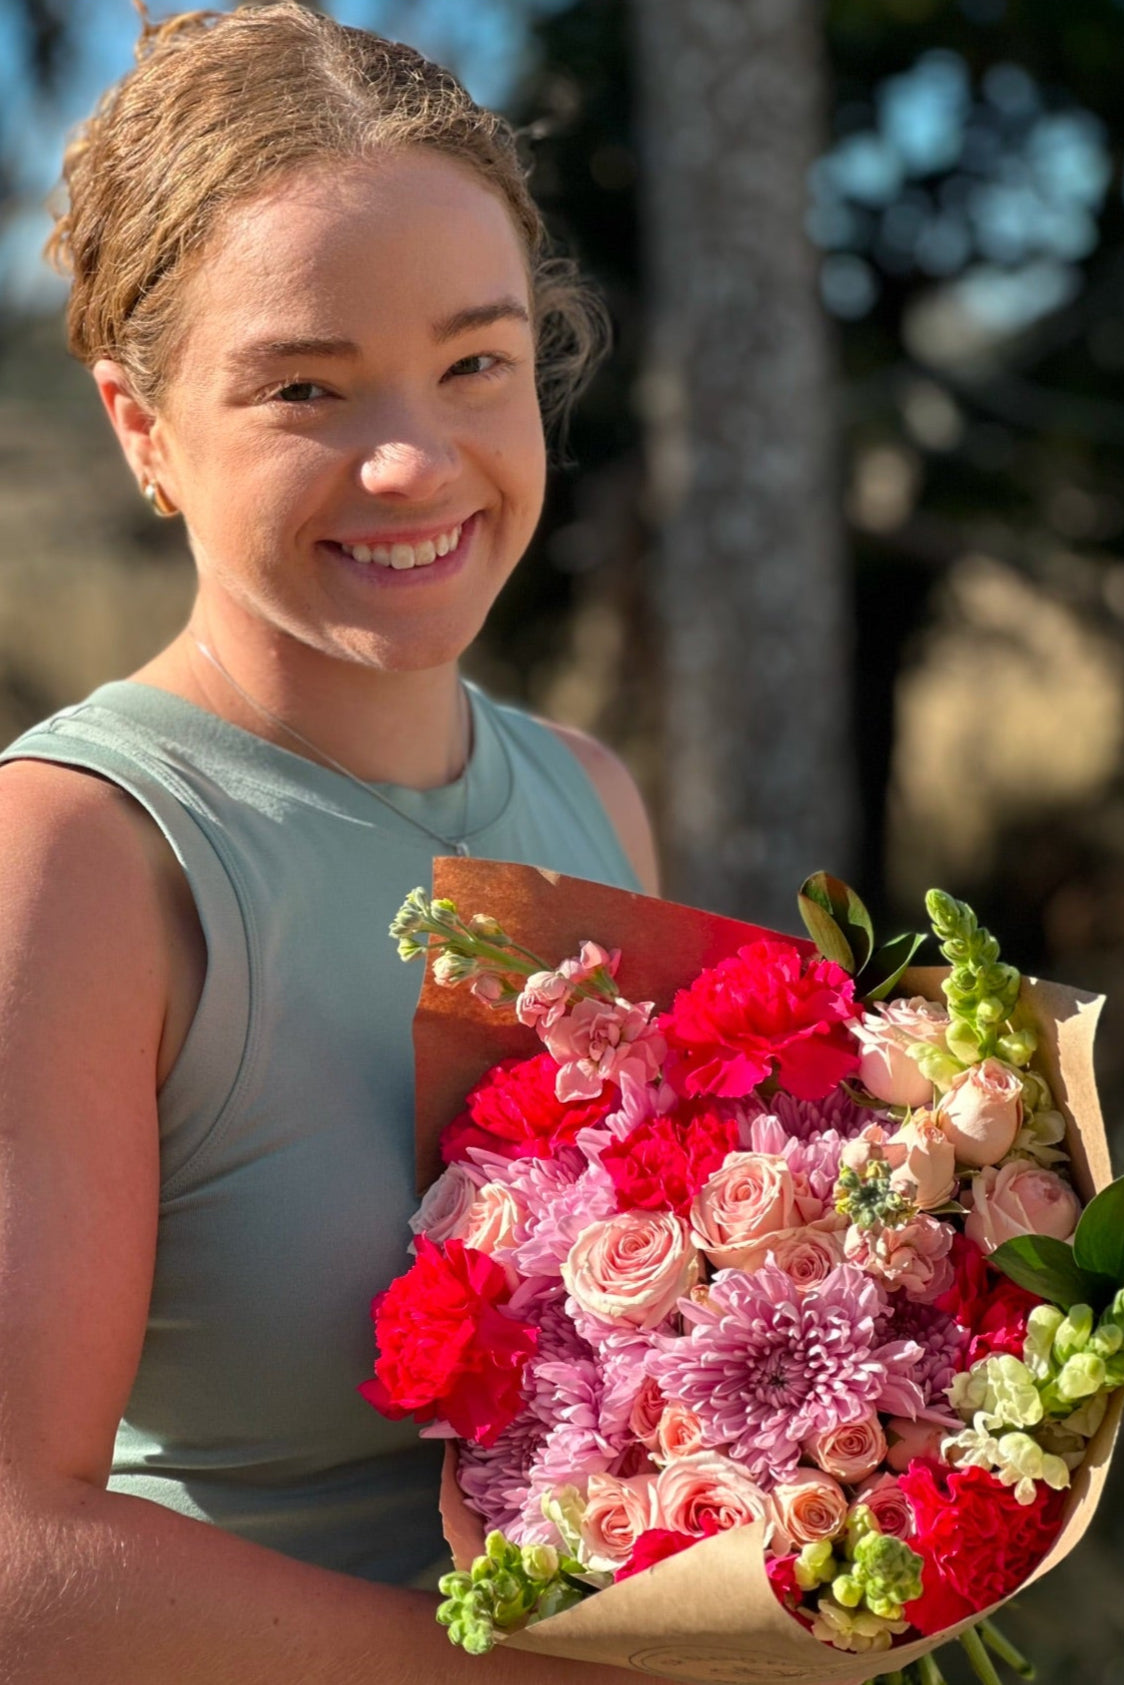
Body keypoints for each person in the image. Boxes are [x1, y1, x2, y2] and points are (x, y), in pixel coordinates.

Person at [0, 4, 657, 1679]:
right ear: (143, 426)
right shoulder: (75, 857)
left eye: (474, 363)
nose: (412, 458)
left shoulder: (592, 795)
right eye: (304, 384)